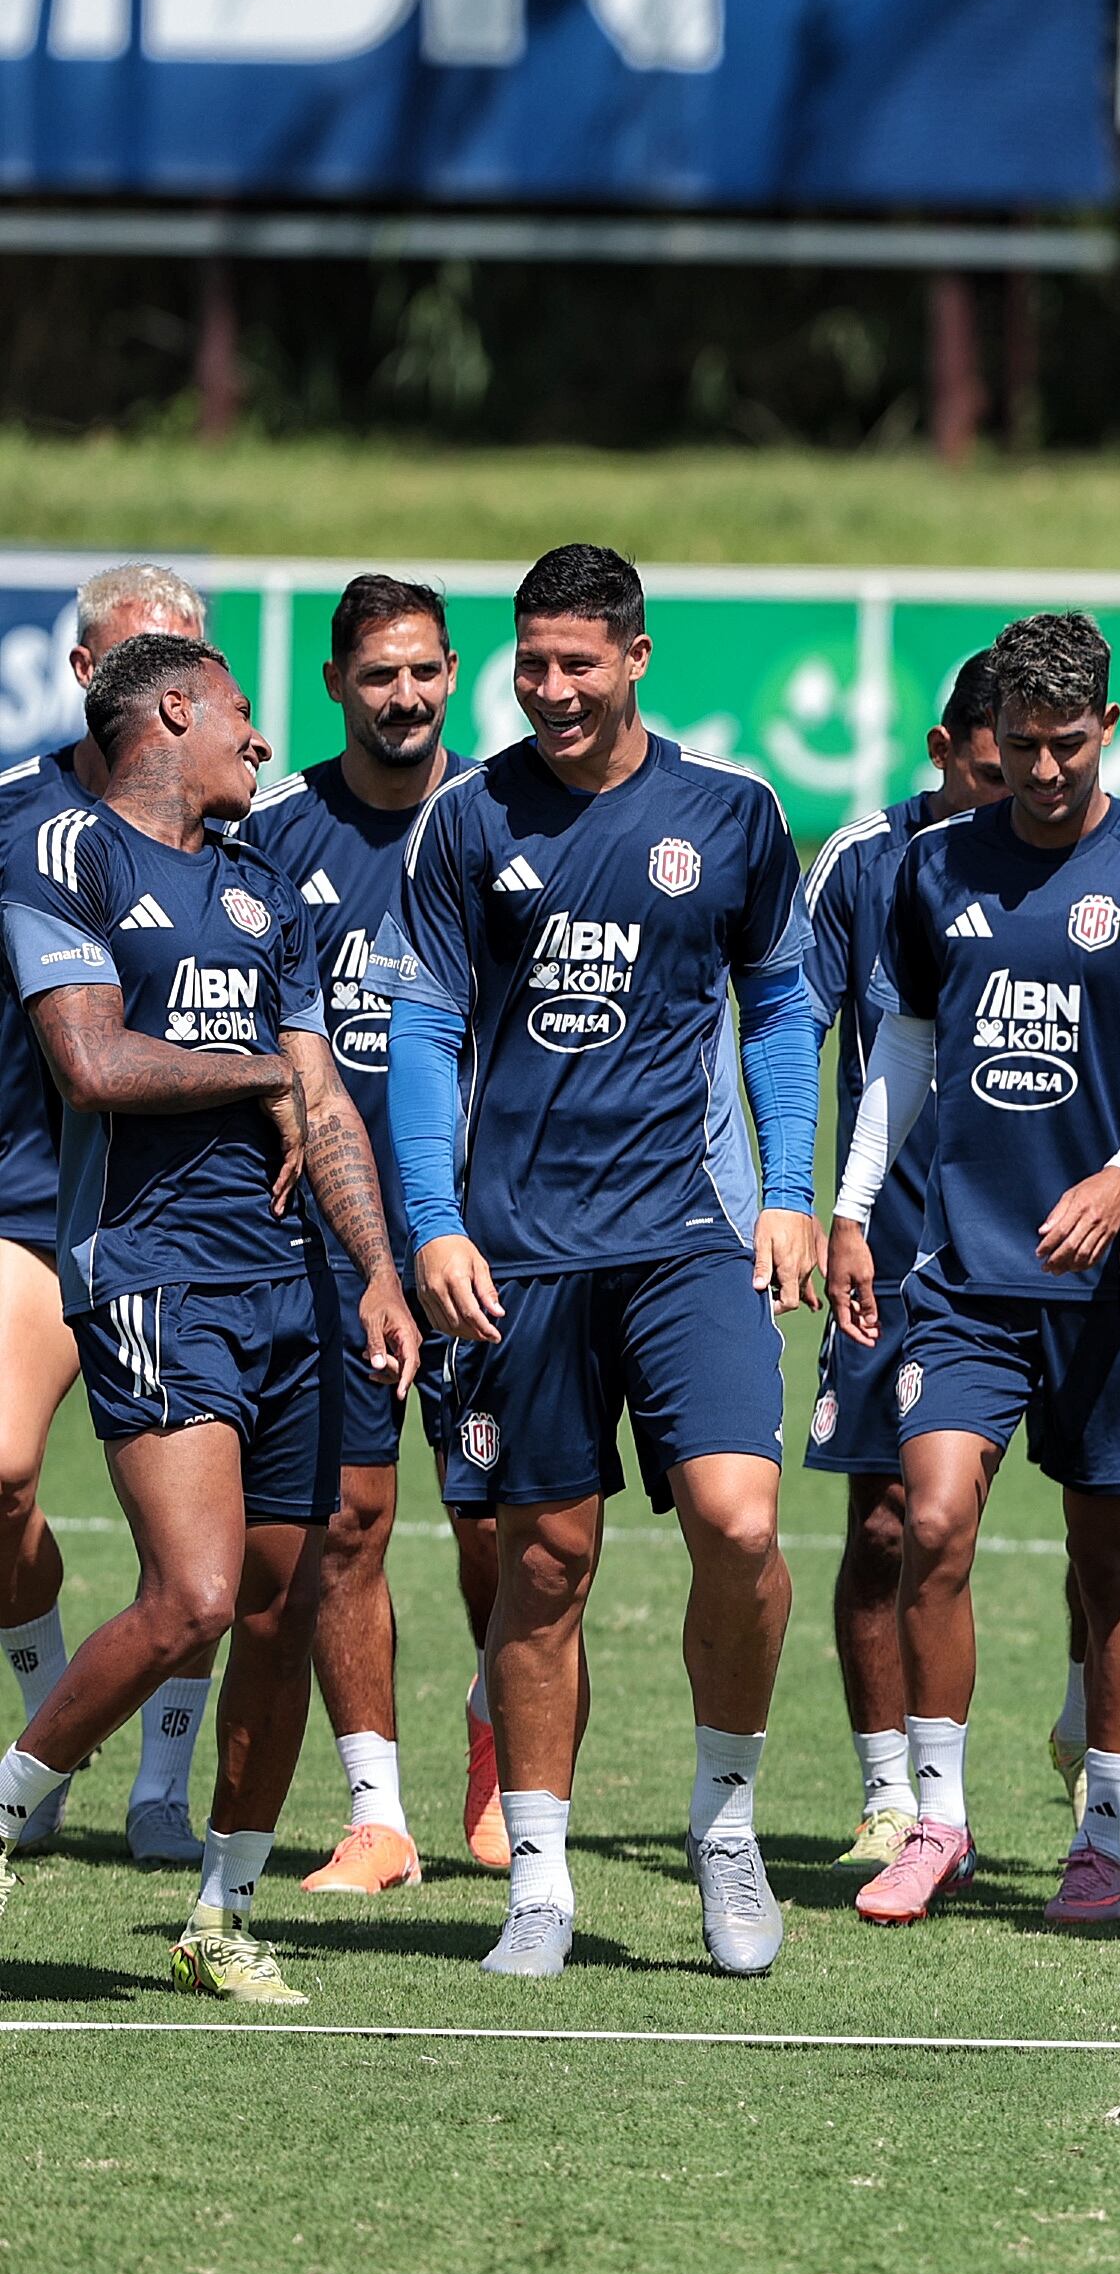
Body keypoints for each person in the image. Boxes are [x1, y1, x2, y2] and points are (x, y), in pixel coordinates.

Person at [373, 543, 822, 1983]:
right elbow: (428, 1033)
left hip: (690, 1233)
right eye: (534, 663)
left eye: (580, 663)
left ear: (636, 657)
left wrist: (792, 1190)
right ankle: (544, 1882)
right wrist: (434, 1223)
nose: (553, 690)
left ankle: (727, 1825)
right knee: (545, 1564)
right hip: (520, 1256)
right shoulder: (464, 821)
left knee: (741, 1526)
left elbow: (780, 1009)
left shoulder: (733, 813)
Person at [0, 635, 417, 2000]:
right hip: (153, 1272)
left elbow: (326, 1107)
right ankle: (12, 1806)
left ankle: (221, 1917)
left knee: (288, 1603)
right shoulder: (68, 856)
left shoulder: (267, 890)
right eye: (241, 712)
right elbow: (92, 1059)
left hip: (292, 1279)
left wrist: (374, 1271)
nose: (259, 736)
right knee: (196, 1595)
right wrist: (258, 1079)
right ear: (172, 709)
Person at [827, 614, 1120, 1932]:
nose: (1043, 771)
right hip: (966, 1268)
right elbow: (906, 1050)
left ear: (1109, 727)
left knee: (1113, 1571)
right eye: (1023, 747)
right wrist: (855, 1209)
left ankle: (1099, 1831)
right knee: (928, 1524)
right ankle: (938, 1820)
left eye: (1068, 744)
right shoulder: (932, 868)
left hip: (1110, 1284)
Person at [235, 574, 475, 1897]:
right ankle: (379, 1816)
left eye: (425, 672)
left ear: (454, 674)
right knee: (347, 1525)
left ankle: (507, 1780)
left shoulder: (502, 822)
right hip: (328, 1243)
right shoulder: (274, 838)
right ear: (336, 684)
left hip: (495, 1237)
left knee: (520, 1532)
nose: (404, 697)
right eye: (379, 675)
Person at [0, 562, 236, 1869]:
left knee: (199, 1549)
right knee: (1, 1475)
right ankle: (48, 1718)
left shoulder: (240, 826)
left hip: (198, 1226)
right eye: (144, 658)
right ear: (86, 674)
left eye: (190, 659)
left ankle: (159, 1786)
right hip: (32, 1210)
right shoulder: (15, 821)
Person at [800, 648, 1009, 1867]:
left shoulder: (1097, 858)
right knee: (885, 1524)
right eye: (988, 772)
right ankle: (893, 1794)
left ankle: (1101, 1757)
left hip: (1046, 1243)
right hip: (892, 1244)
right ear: (943, 753)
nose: (1014, 796)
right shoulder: (868, 862)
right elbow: (791, 1015)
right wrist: (800, 1204)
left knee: (1109, 1522)